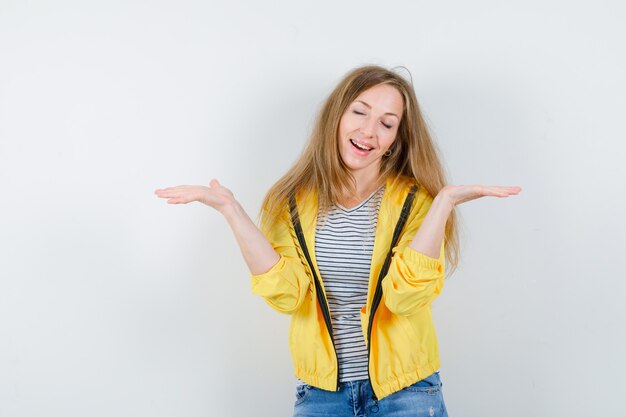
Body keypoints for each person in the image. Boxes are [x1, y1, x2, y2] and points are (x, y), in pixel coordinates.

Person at [154, 65, 521, 416]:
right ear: (337, 117)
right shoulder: (292, 203)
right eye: (360, 112)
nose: (369, 130)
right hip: (321, 396)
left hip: (406, 392)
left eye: (386, 123)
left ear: (395, 140)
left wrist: (442, 203)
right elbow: (287, 294)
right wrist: (231, 210)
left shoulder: (415, 202)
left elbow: (404, 297)